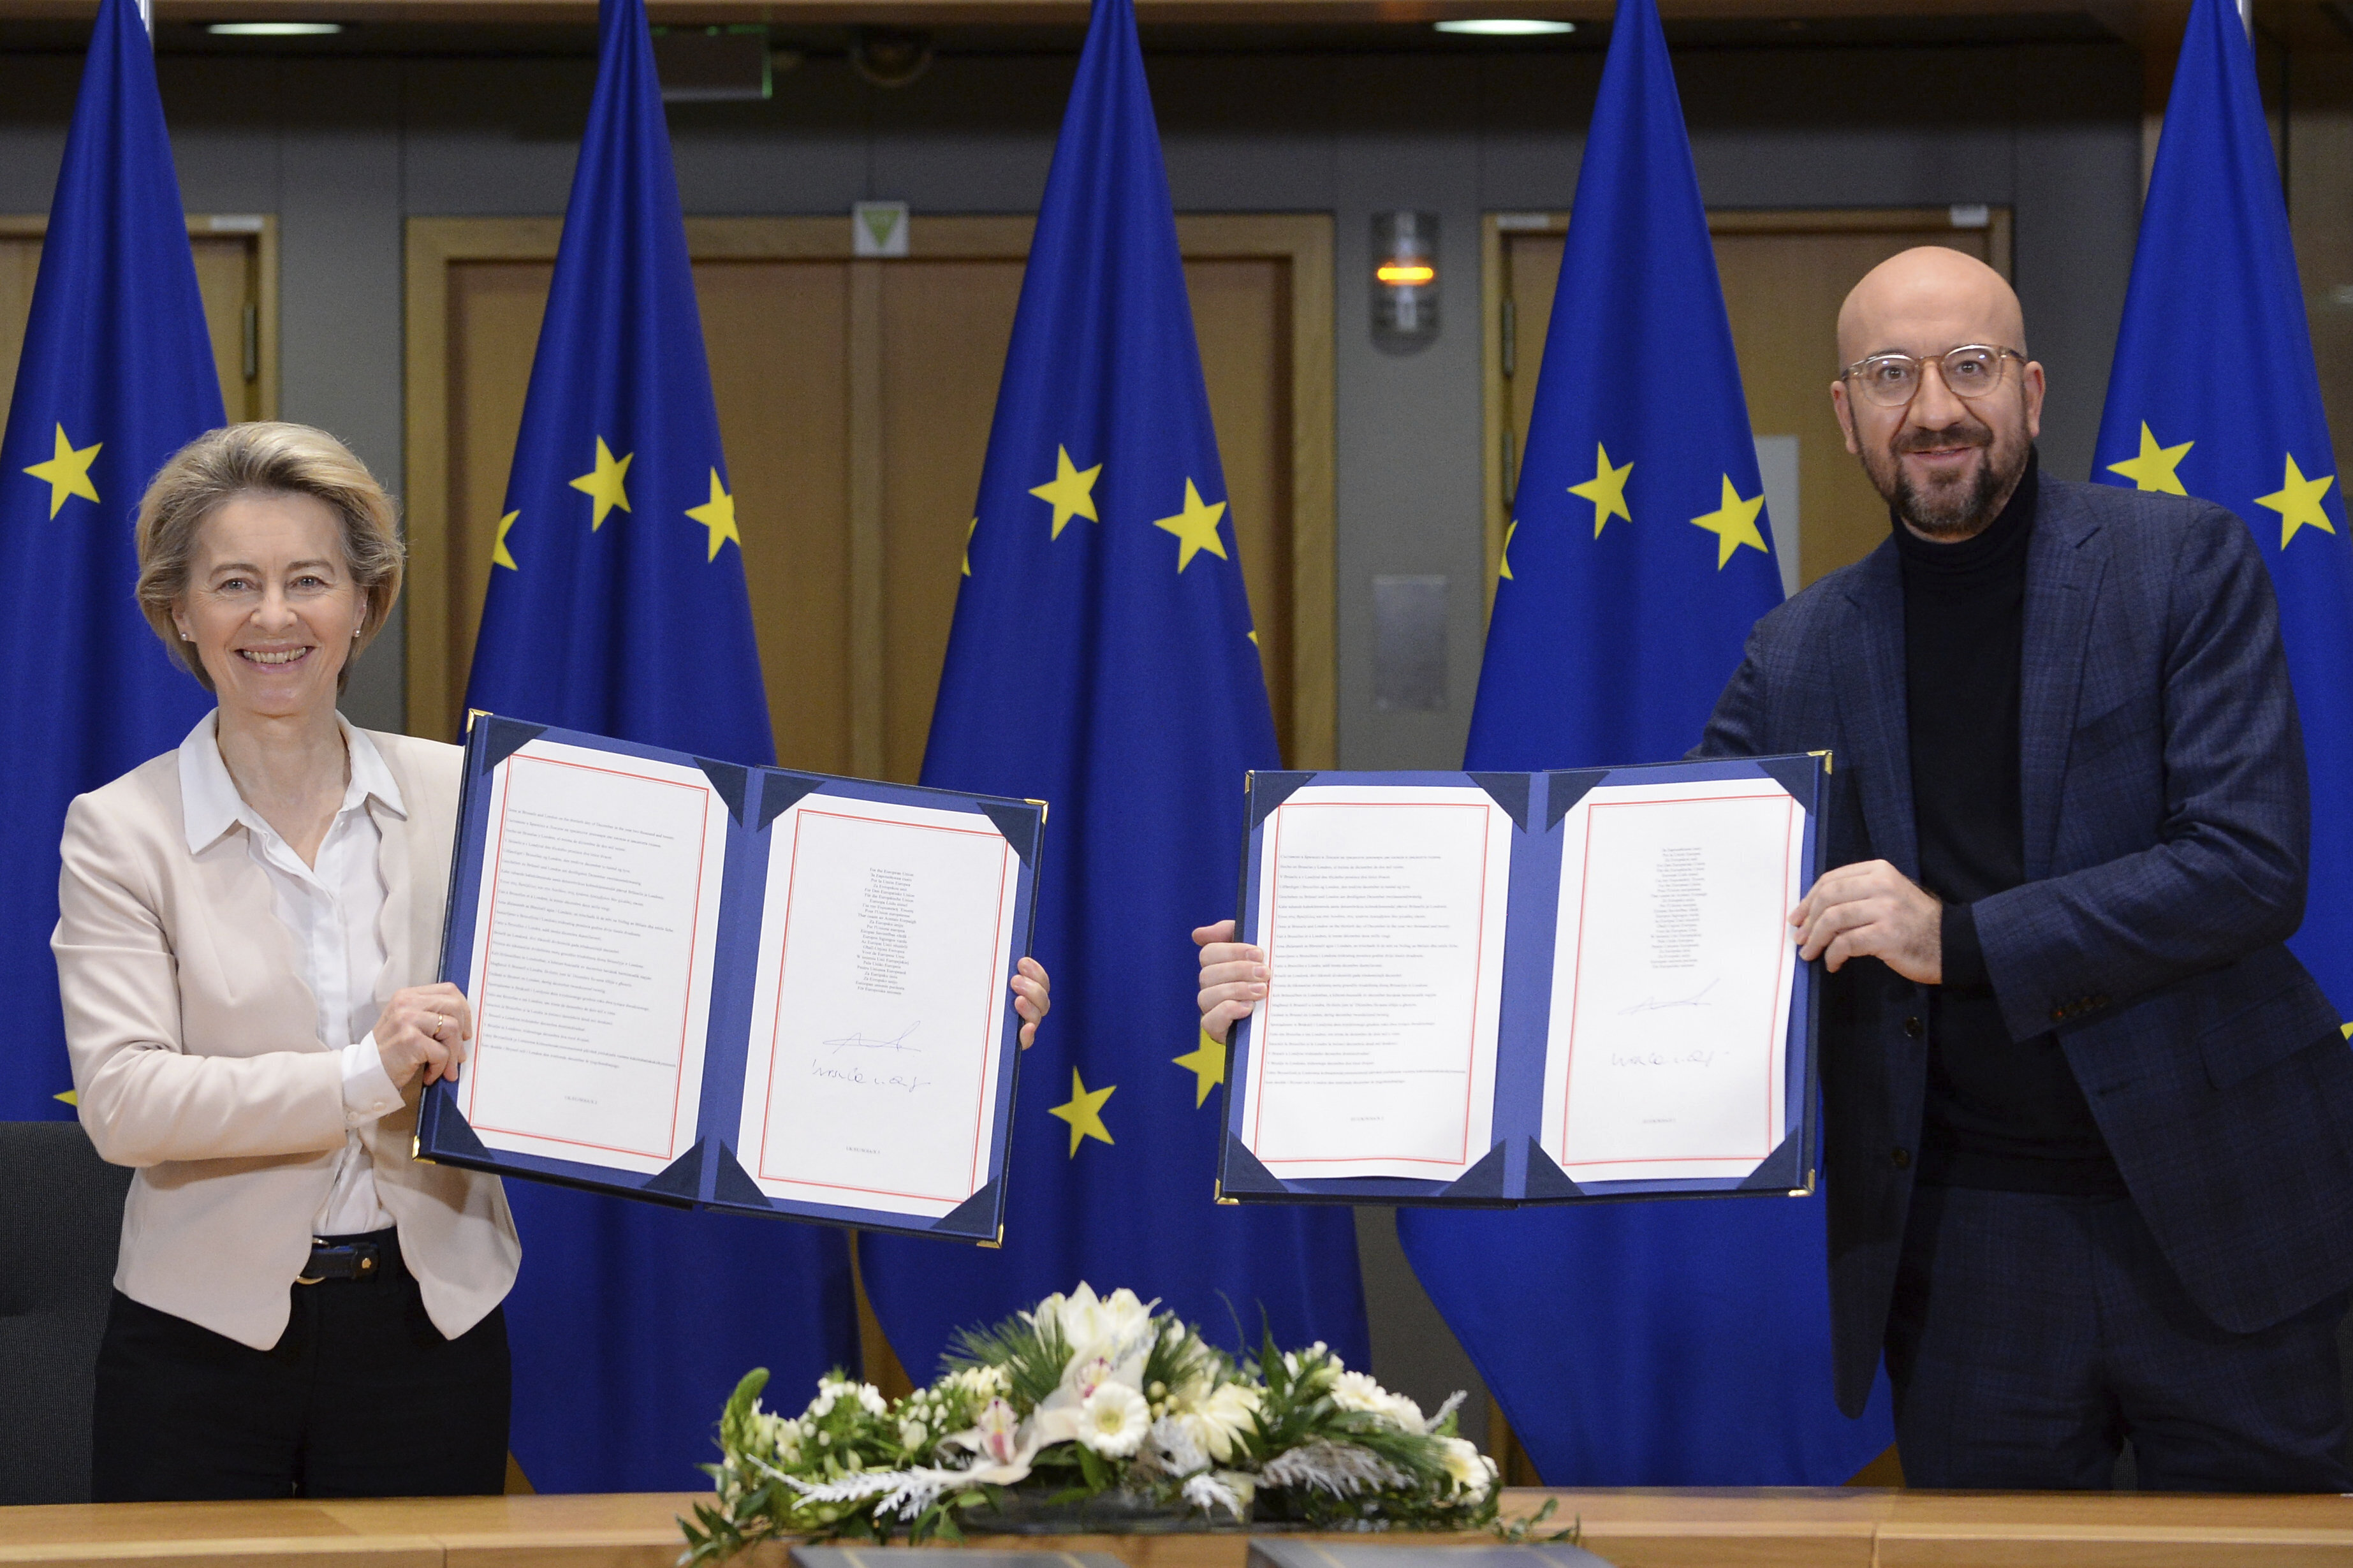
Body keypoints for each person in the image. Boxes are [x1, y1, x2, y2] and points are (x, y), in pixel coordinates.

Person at [1199, 246, 2353, 1491]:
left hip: (2226, 1213)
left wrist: (1953, 939)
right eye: (1891, 375)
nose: (1934, 408)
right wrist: (1312, 988)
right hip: (1966, 1248)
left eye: (1969, 368)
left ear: (2029, 389)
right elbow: (1634, 909)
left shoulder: (2180, 563)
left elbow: (2247, 865)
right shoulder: (1798, 652)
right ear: (1844, 414)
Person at [59, 421, 1053, 1502]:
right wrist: (365, 1072)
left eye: (311, 580)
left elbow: (705, 969)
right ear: (180, 611)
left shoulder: (485, 794)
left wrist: (954, 1003)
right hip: (197, 1348)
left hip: (431, 1329)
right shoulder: (121, 830)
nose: (274, 617)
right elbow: (125, 1103)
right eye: (234, 584)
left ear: (363, 606)